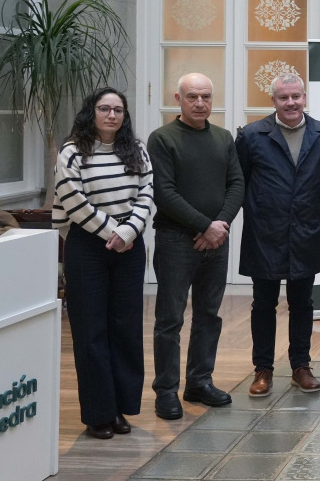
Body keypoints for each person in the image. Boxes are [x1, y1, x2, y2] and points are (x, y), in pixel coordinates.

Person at [54, 87, 154, 440]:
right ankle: (99, 414)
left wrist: (128, 232)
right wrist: (112, 231)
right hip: (88, 246)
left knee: (125, 328)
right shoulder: (72, 151)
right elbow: (72, 199)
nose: (112, 115)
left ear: (125, 116)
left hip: (129, 245)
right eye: (104, 108)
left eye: (118, 110)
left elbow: (146, 192)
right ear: (91, 112)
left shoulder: (136, 149)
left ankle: (120, 408)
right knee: (91, 331)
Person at [147, 72, 245, 420]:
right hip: (176, 241)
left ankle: (199, 382)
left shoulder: (222, 138)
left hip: (217, 240)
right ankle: (166, 391)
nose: (200, 103)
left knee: (209, 315)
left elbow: (237, 184)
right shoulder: (162, 139)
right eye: (192, 97)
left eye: (205, 96)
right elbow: (165, 193)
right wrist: (206, 225)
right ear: (178, 99)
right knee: (170, 319)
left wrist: (220, 226)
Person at [235, 73, 320, 397]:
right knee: (263, 304)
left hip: (306, 233)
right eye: (284, 97)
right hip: (264, 234)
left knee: (302, 302)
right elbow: (239, 184)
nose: (291, 102)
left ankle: (300, 366)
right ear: (273, 101)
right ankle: (263, 369)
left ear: (304, 97)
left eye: (296, 96)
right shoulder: (251, 136)